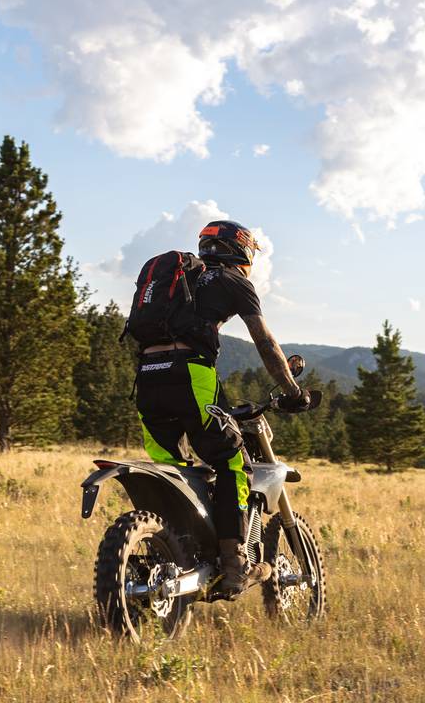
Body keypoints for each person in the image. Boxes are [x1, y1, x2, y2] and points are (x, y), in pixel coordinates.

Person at [133, 219, 309, 596]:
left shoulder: (180, 282)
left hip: (146, 377)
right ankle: (234, 565)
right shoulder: (232, 280)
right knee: (231, 461)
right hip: (190, 376)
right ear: (242, 250)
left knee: (172, 470)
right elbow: (265, 341)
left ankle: (175, 551)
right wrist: (291, 388)